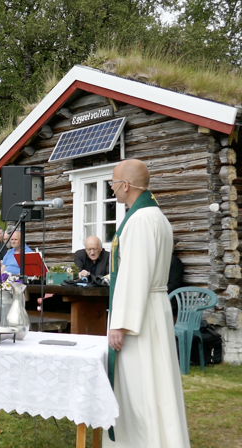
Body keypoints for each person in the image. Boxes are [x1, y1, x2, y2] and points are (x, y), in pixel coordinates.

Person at [105, 159, 189, 447]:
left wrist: (120, 324)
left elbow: (134, 274)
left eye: (113, 184)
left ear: (125, 185)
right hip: (153, 307)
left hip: (139, 315)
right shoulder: (156, 216)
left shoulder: (140, 220)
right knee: (156, 381)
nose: (112, 189)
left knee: (141, 386)